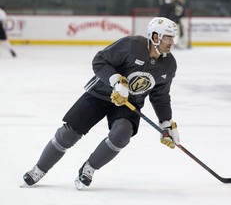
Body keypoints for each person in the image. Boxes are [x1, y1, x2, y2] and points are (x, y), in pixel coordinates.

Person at [23, 17, 180, 189]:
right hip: (100, 93)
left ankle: (89, 168)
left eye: (173, 37)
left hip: (129, 103)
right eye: (168, 37)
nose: (172, 42)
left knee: (122, 134)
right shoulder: (131, 45)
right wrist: (116, 81)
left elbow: (161, 96)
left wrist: (166, 124)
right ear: (155, 37)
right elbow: (99, 60)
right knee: (68, 134)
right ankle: (39, 168)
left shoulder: (169, 65)